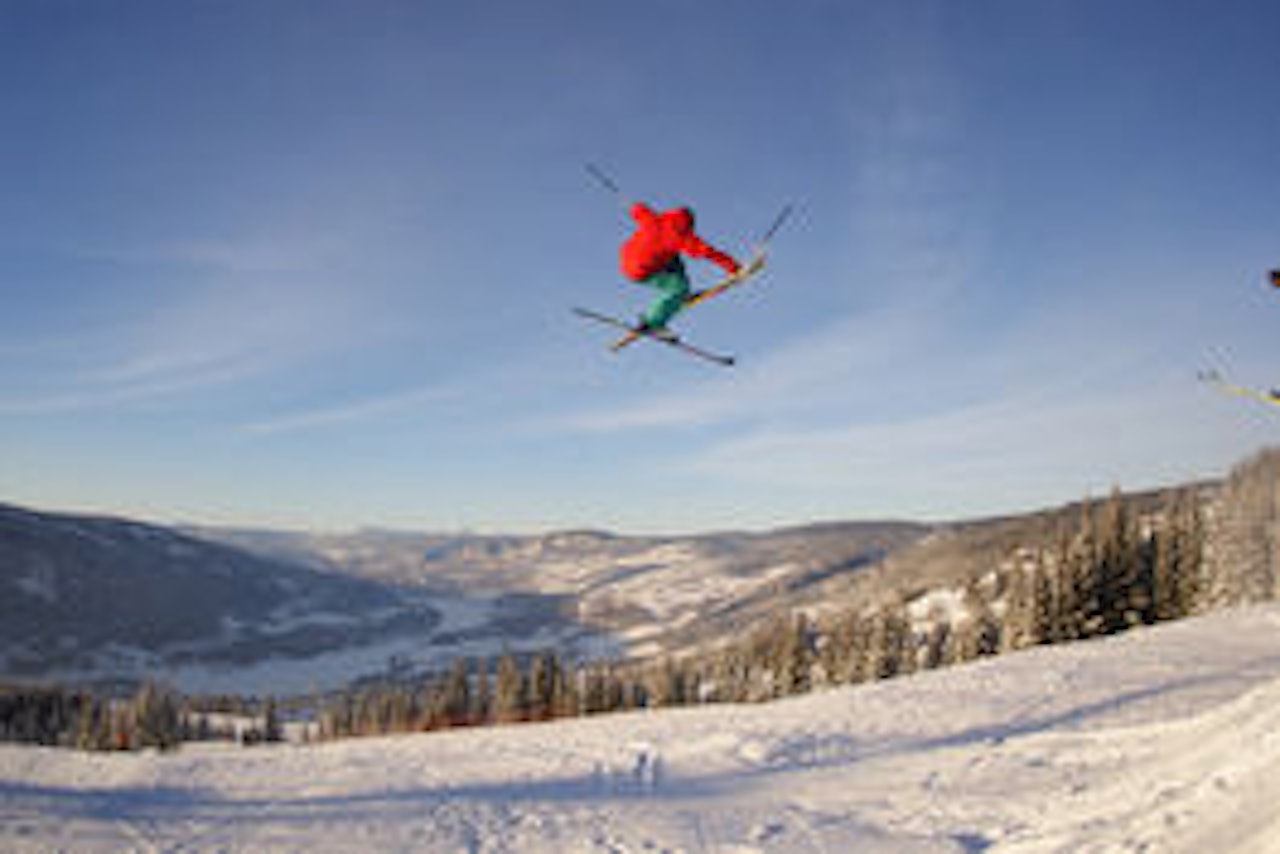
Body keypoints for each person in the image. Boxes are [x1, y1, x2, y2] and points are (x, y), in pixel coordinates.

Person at [620, 203, 740, 334]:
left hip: (627, 260)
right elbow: (708, 252)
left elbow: (639, 211)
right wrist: (732, 267)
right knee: (677, 289)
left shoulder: (655, 219)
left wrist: (634, 207)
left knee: (675, 259)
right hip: (641, 271)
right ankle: (652, 321)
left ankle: (681, 297)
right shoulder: (681, 237)